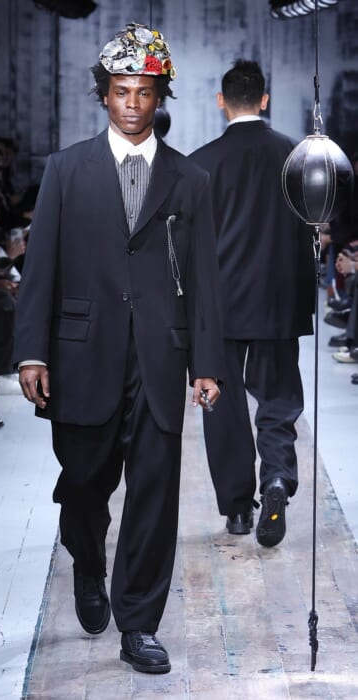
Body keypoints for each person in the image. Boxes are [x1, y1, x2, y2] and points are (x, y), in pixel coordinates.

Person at [13, 22, 224, 675]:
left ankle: (139, 624)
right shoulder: (65, 169)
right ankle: (86, 559)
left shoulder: (190, 179)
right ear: (103, 94)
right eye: (121, 90)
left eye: (144, 92)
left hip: (160, 356)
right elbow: (40, 266)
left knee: (154, 494)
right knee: (84, 482)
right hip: (81, 353)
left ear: (161, 97)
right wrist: (31, 352)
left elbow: (206, 278)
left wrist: (207, 363)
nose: (132, 103)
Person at [190, 59, 315, 547]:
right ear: (264, 99)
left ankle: (239, 509)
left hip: (219, 306)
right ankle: (277, 478)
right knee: (278, 401)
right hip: (279, 301)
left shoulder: (200, 163)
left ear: (221, 101)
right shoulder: (295, 156)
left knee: (221, 405)